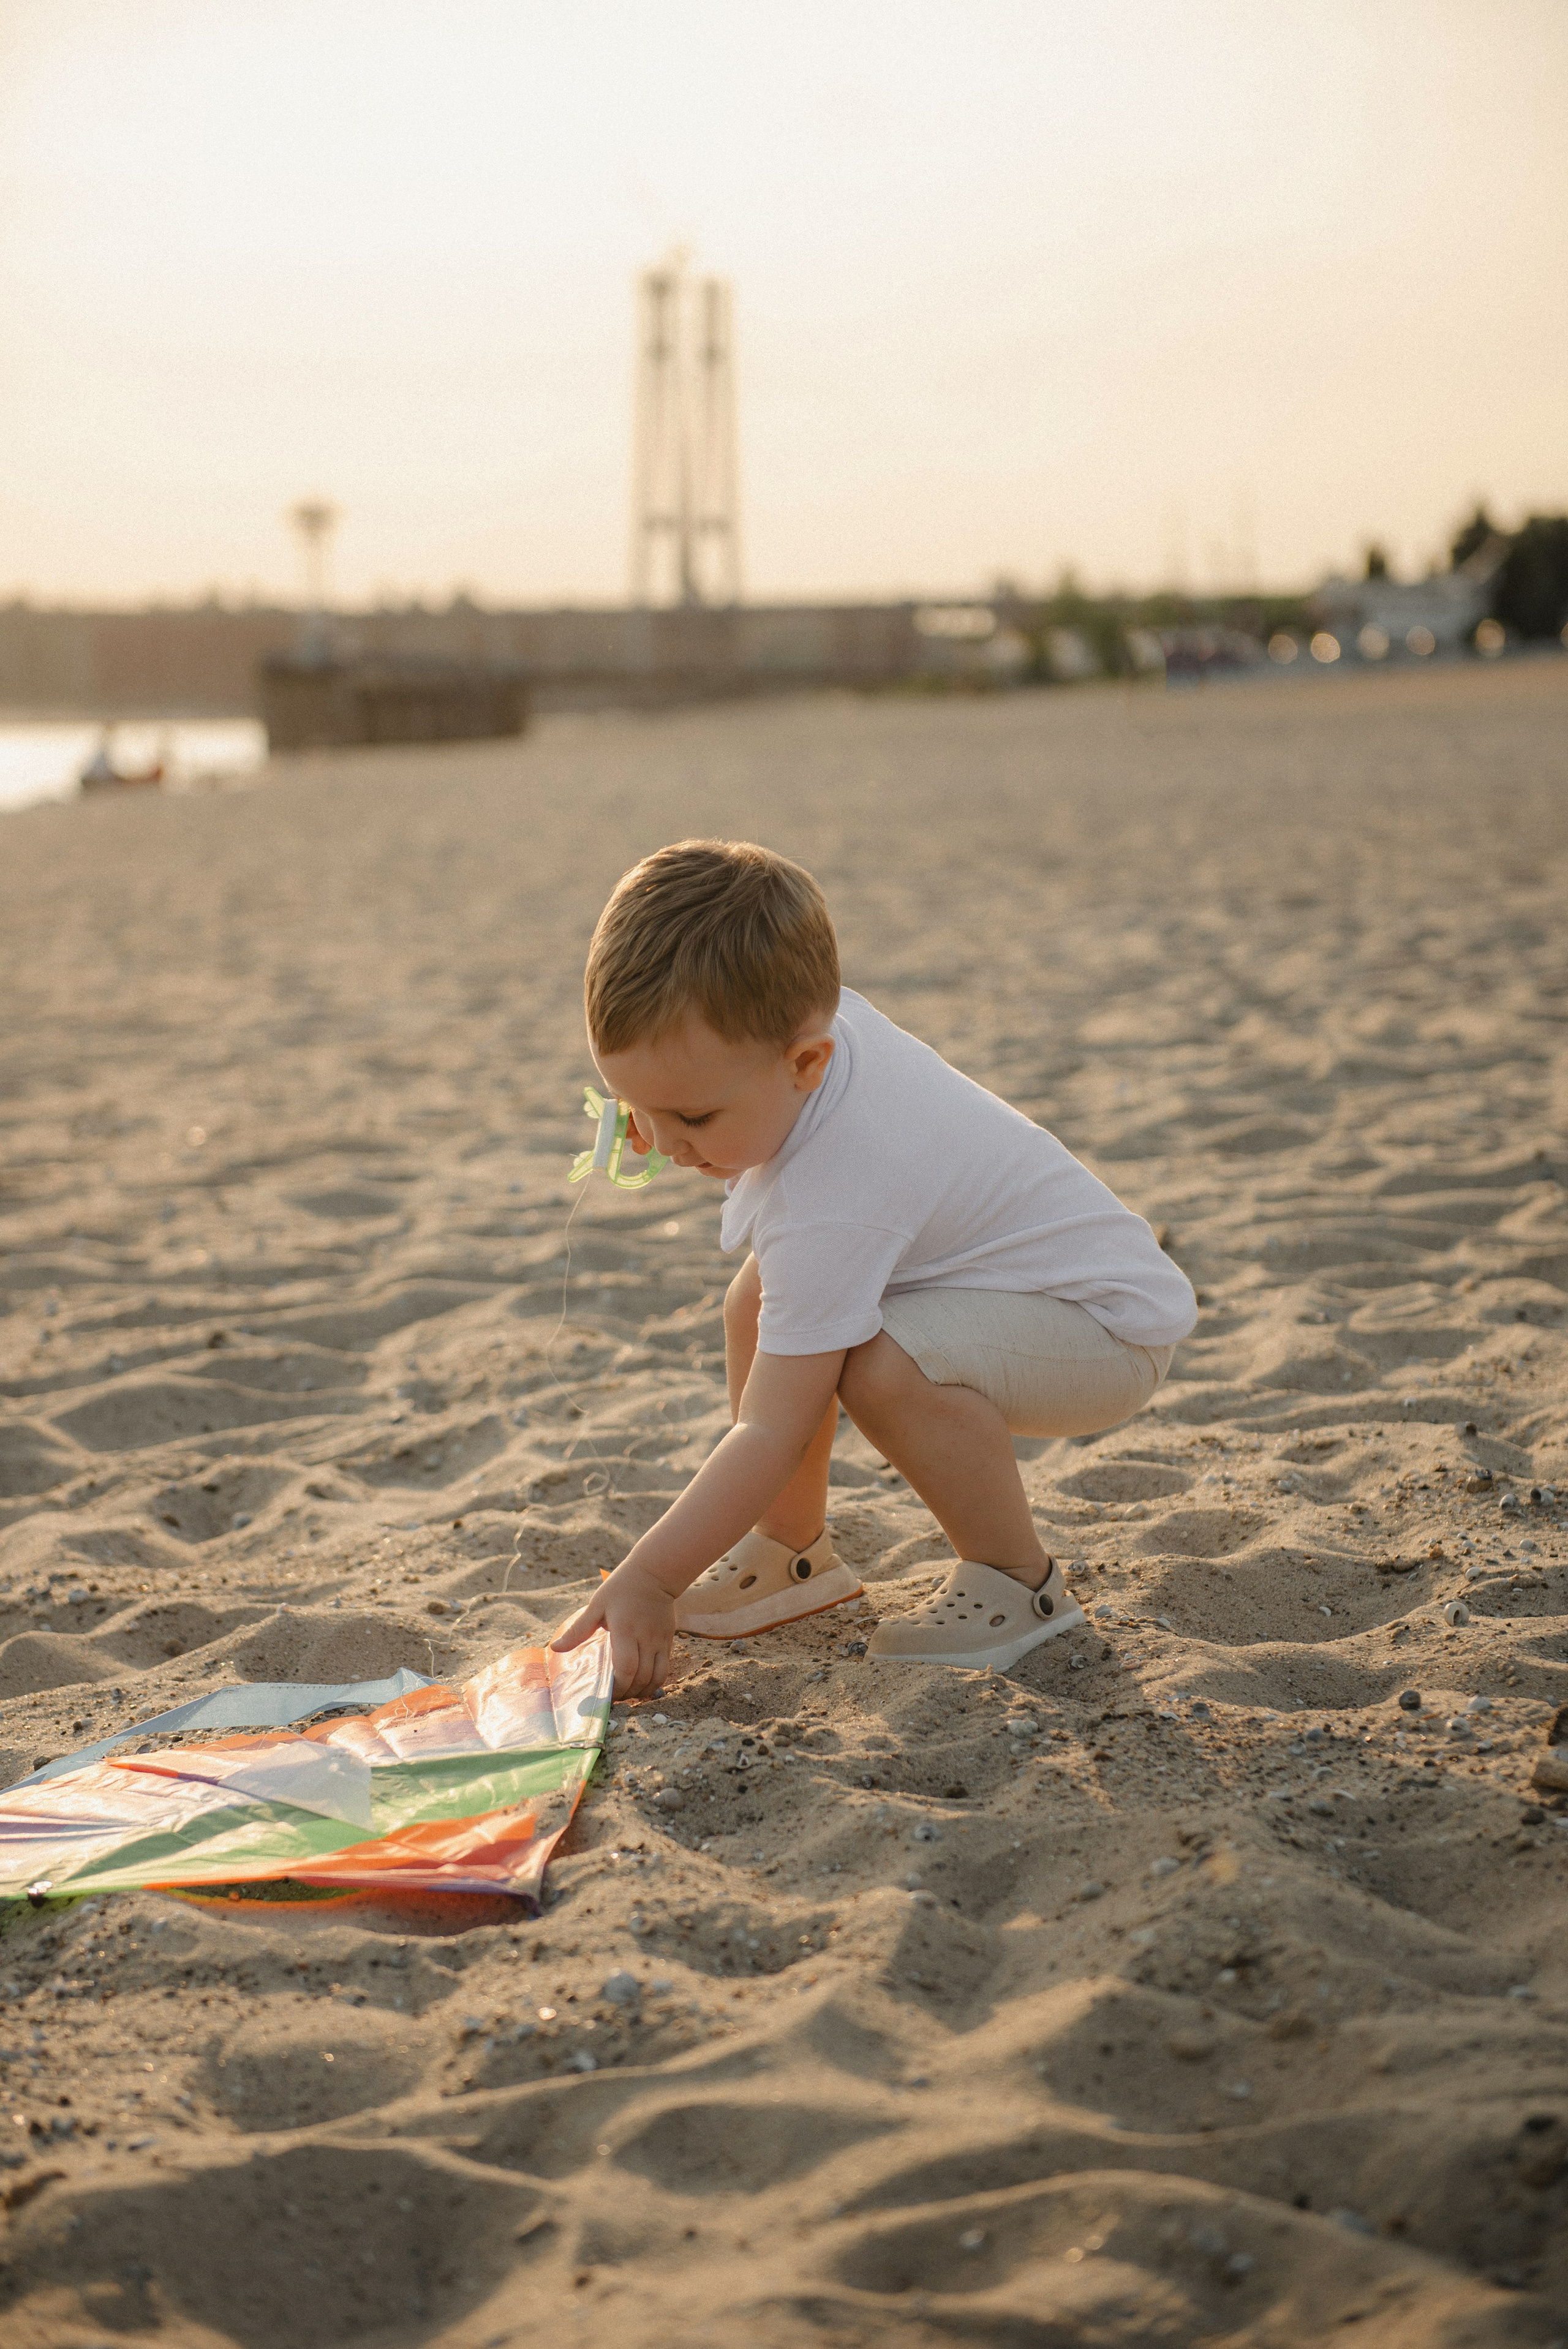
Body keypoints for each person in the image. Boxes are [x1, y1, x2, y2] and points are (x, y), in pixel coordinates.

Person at [552, 840, 1196, 1698]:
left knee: (881, 1364)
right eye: (636, 1110)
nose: (665, 1145)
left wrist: (651, 1578)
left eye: (694, 1117)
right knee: (762, 1300)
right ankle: (792, 1556)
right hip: (1007, 1287)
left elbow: (769, 1430)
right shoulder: (802, 1034)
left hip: (1102, 1330)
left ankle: (1019, 1585)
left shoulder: (839, 1191)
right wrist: (675, 1112)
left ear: (806, 1063)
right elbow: (729, 1095)